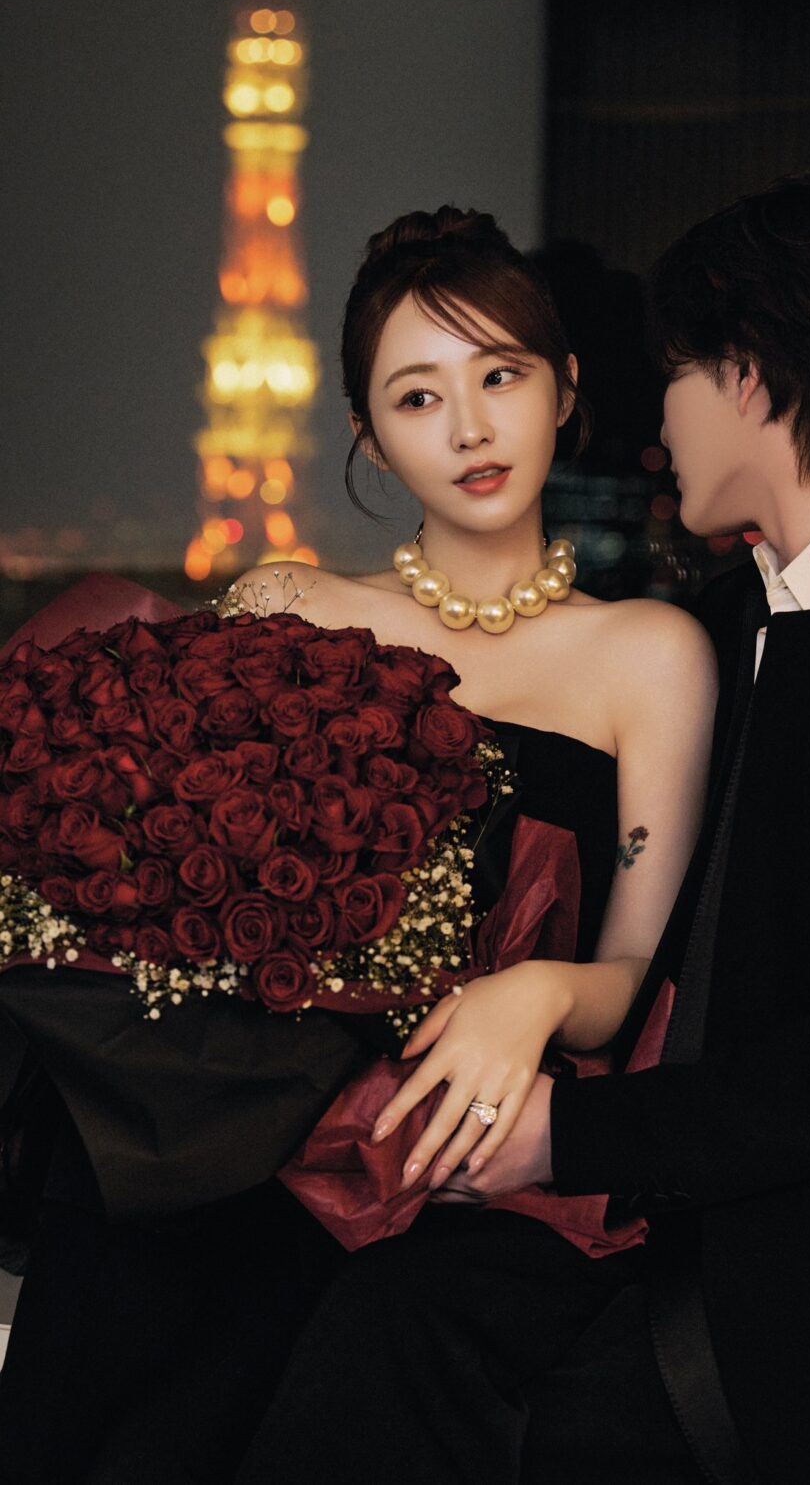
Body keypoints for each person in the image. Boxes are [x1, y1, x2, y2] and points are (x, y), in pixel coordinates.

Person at [237, 173, 810, 1485]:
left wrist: (568, 1132)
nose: (659, 416)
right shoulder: (726, 619)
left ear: (749, 378)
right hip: (654, 1208)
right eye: (416, 395)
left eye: (679, 374)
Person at [0, 208, 716, 1480]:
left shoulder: (647, 654)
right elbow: (155, 885)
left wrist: (538, 992)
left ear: (565, 389)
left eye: (501, 376)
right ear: (369, 436)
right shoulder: (291, 603)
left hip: (435, 1159)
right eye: (418, 396)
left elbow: (630, 972)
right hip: (233, 1118)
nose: (470, 427)